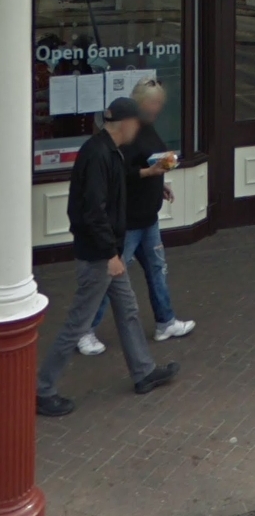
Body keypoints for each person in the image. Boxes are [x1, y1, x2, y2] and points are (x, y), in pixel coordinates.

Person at [37, 97, 179, 417]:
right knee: (78, 322)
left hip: (107, 251)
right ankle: (42, 389)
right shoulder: (99, 154)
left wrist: (159, 180)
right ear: (126, 123)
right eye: (136, 125)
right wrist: (109, 254)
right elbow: (93, 211)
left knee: (127, 309)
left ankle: (143, 373)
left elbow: (115, 193)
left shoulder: (108, 151)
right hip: (99, 256)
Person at [78, 78, 195, 355]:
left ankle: (165, 321)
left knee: (157, 269)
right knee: (111, 275)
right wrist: (149, 174)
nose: (159, 107)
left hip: (148, 216)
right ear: (140, 103)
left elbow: (146, 162)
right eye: (154, 102)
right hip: (129, 220)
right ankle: (83, 330)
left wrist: (159, 182)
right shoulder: (124, 135)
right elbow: (119, 174)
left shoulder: (148, 127)